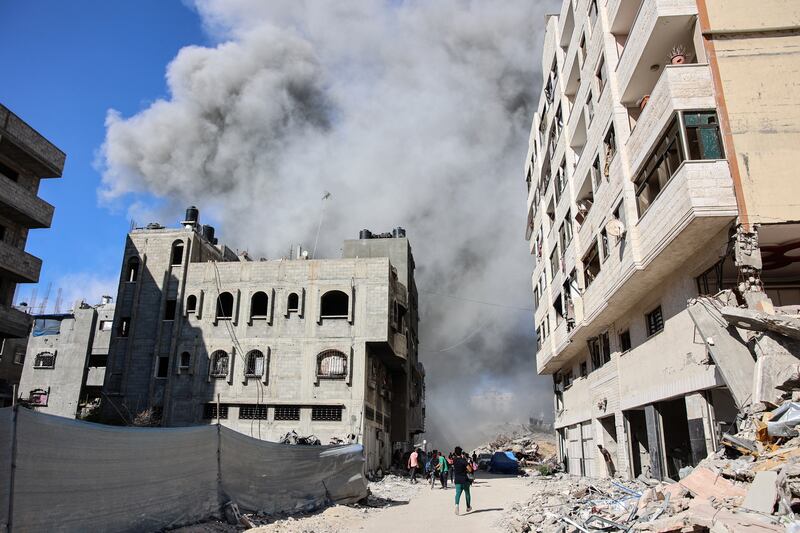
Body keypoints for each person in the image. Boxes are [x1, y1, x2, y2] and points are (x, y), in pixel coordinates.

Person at [452, 447, 473, 515]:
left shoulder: (454, 460)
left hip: (457, 480)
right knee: (467, 493)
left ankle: (456, 505)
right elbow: (470, 469)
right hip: (464, 479)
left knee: (458, 493)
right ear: (461, 452)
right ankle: (468, 507)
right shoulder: (463, 460)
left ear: (455, 453)